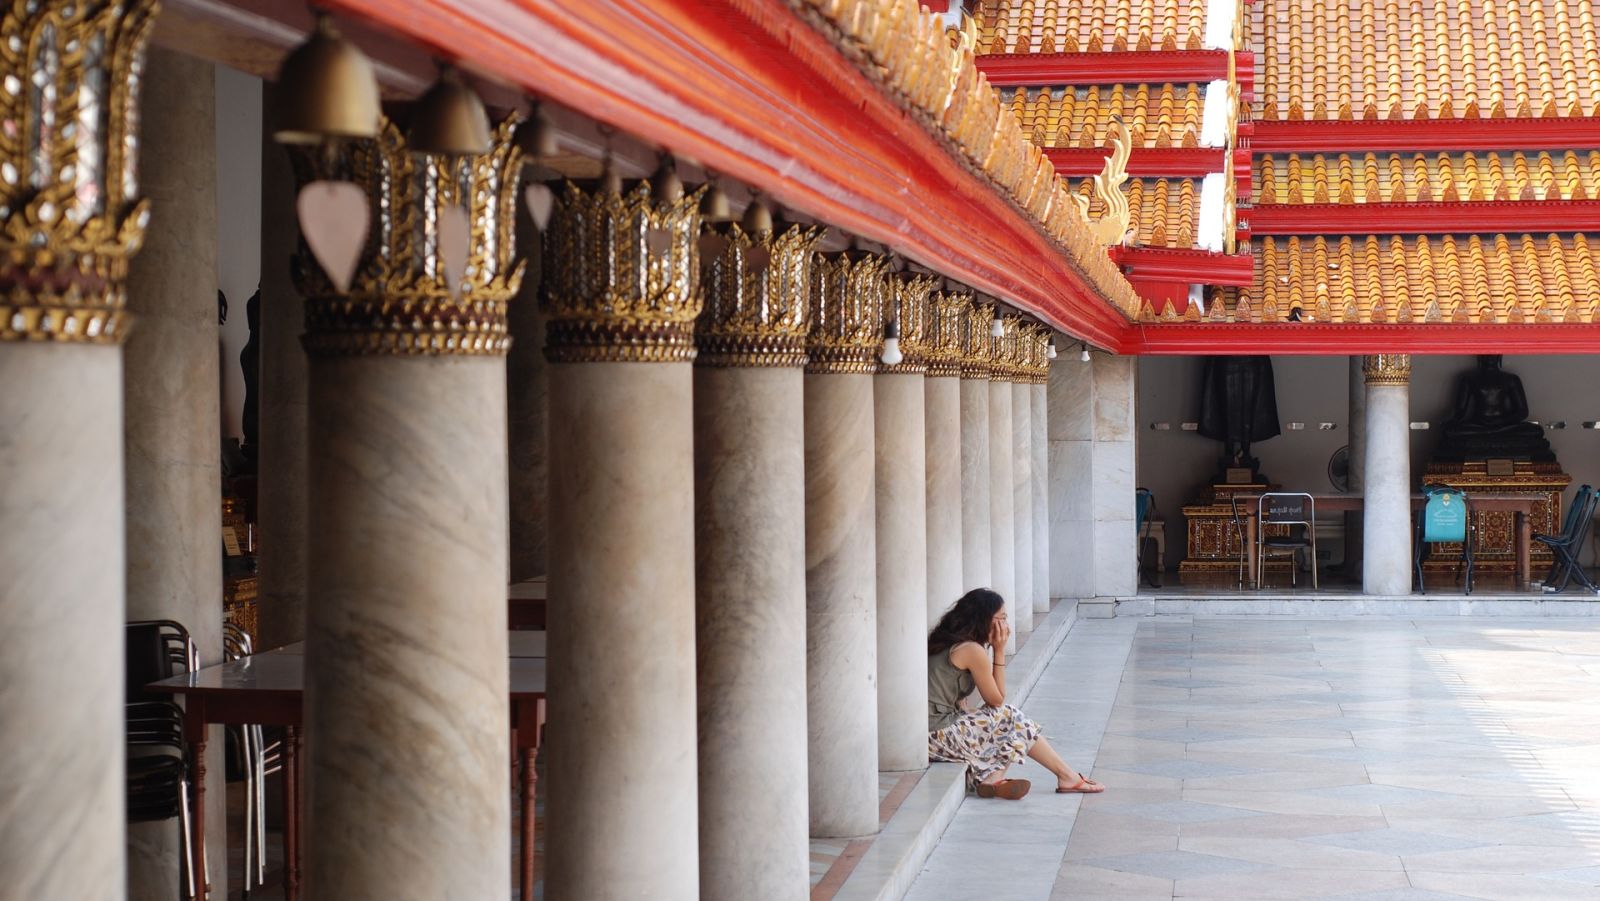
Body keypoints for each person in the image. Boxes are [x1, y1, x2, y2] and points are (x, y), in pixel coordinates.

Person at [927, 589, 1104, 799]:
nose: (1005, 625)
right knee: (1010, 717)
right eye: (1001, 619)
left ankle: (992, 779)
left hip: (929, 734)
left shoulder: (947, 641)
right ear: (983, 619)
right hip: (936, 735)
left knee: (1000, 723)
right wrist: (999, 650)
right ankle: (1065, 776)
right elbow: (997, 700)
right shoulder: (971, 650)